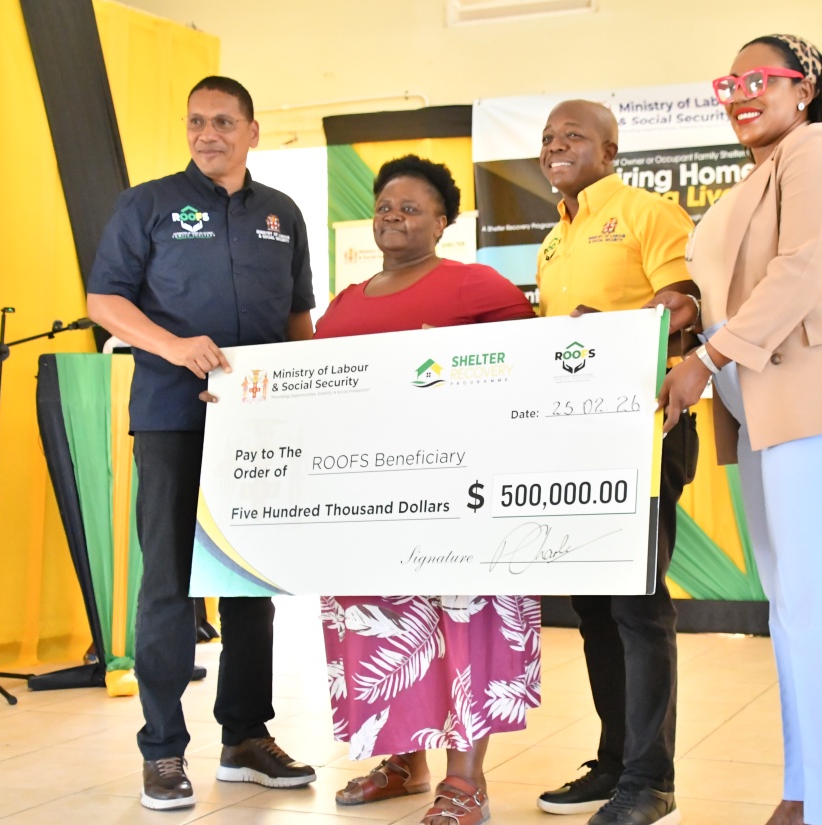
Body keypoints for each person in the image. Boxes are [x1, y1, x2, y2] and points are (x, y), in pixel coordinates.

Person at [656, 36, 822, 825]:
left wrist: (706, 358)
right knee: (793, 611)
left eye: (758, 78)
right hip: (770, 406)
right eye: (728, 83)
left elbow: (802, 270)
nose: (739, 93)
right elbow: (739, 287)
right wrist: (692, 312)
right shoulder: (760, 174)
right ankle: (805, 794)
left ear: (803, 87)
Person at [86, 75, 318, 810]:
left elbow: (298, 317)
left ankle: (246, 737)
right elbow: (104, 300)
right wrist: (173, 346)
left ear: (252, 131)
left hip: (257, 424)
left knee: (251, 580)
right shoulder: (148, 204)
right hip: (172, 416)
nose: (206, 133)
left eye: (222, 121)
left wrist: (306, 395)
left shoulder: (282, 213)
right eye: (195, 122)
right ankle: (162, 749)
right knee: (168, 584)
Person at [316, 155, 538, 825]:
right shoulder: (345, 303)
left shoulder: (476, 285)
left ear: (442, 223)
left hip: (459, 493)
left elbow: (532, 366)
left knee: (463, 624)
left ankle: (465, 782)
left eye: (410, 208)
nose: (393, 216)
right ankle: (404, 762)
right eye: (384, 206)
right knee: (386, 627)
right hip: (367, 497)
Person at [534, 100, 698, 825]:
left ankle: (650, 780)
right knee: (595, 610)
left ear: (609, 151)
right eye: (548, 138)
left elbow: (684, 304)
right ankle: (612, 763)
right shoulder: (551, 242)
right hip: (574, 439)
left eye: (573, 136)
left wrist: (617, 331)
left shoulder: (646, 213)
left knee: (637, 606)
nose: (556, 146)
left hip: (644, 431)